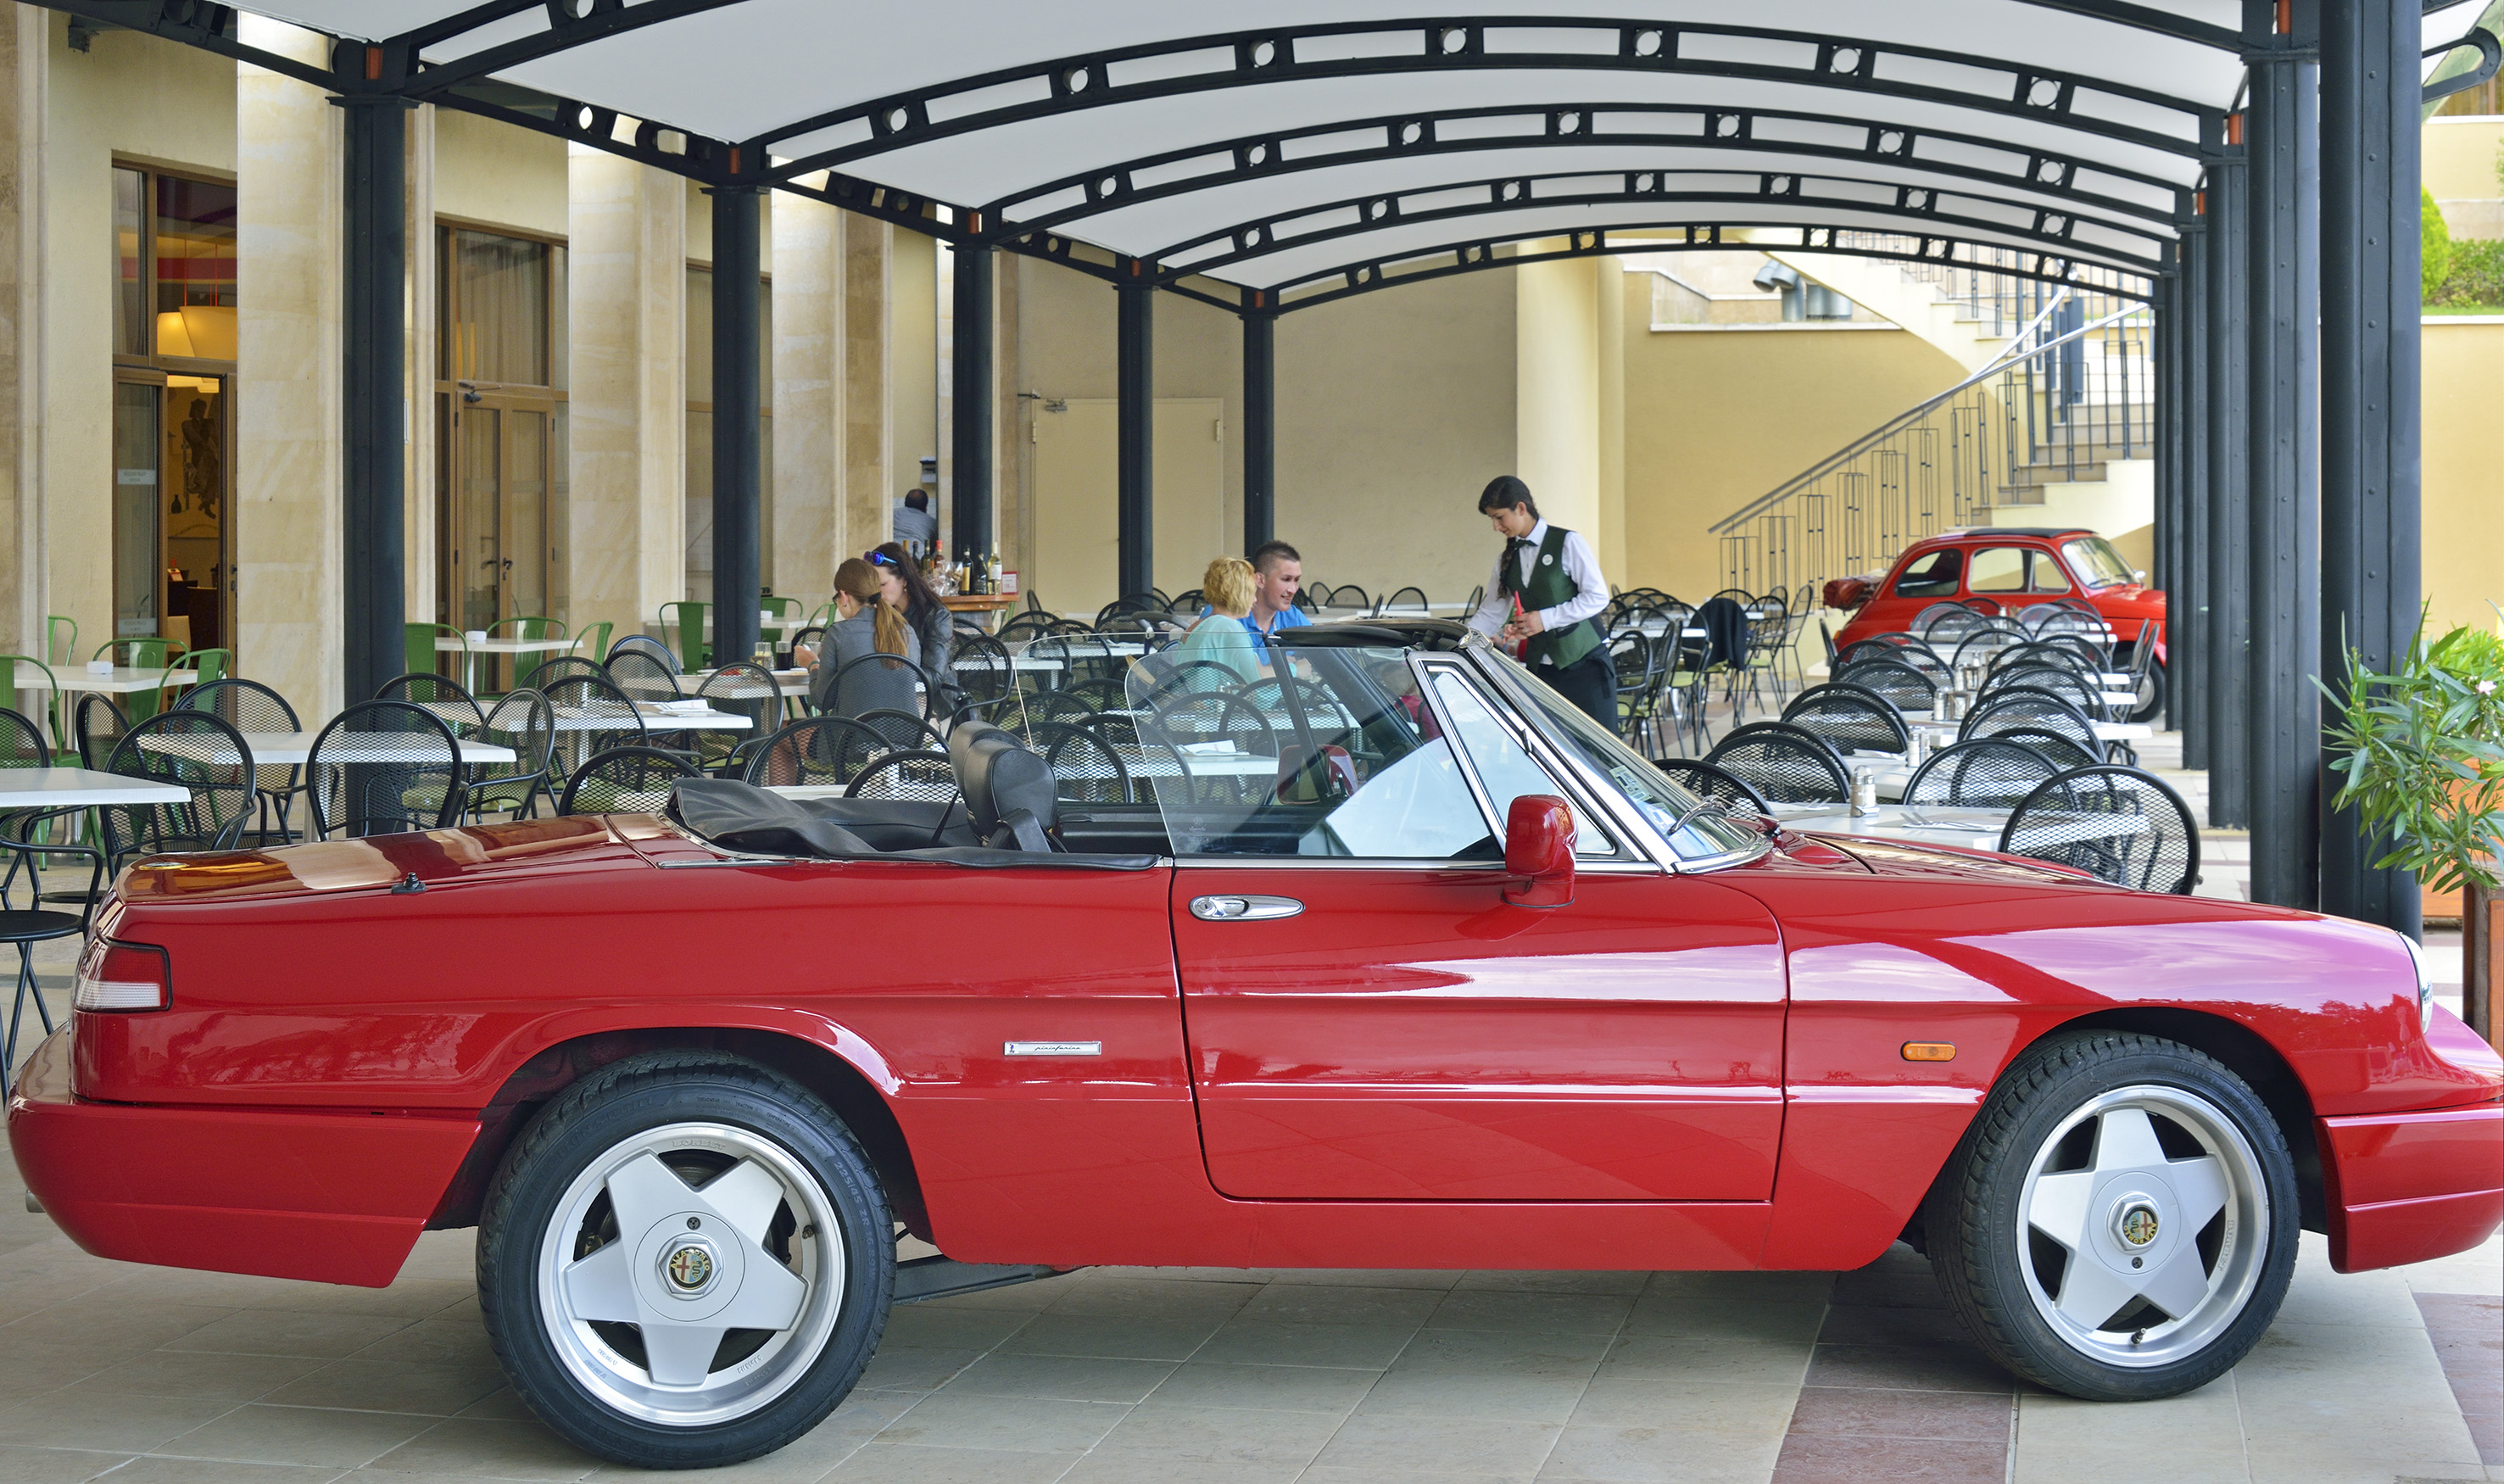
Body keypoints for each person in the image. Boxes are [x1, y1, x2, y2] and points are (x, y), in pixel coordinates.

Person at [1465, 475, 1616, 728]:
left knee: (1602, 755)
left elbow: (1597, 596)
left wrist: (1545, 619)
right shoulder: (1506, 558)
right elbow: (1491, 611)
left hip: (1585, 666)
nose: (1495, 527)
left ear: (1521, 508)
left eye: (1499, 517)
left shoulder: (1568, 542)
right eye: (1492, 519)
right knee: (1554, 754)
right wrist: (1463, 641)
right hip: (1542, 672)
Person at [808, 557, 920, 717]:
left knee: (785, 738)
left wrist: (812, 665)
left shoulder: (839, 634)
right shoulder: (908, 632)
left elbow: (823, 701)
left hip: (850, 739)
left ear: (844, 596)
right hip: (906, 739)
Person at [1168, 558, 1268, 689]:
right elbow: (1259, 685)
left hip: (1192, 707)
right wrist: (1296, 670)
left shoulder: (1196, 626)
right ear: (1239, 593)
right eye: (1252, 592)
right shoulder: (1228, 627)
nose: (1255, 599)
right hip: (1217, 708)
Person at [868, 541, 953, 684]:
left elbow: (934, 677)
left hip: (934, 701)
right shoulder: (880, 613)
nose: (876, 592)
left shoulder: (936, 615)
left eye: (882, 584)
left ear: (904, 580)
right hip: (893, 697)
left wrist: (887, 675)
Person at [891, 489, 937, 554]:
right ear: (925, 506)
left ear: (905, 502)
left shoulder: (892, 513)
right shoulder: (932, 522)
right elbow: (933, 547)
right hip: (918, 556)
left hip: (892, 552)